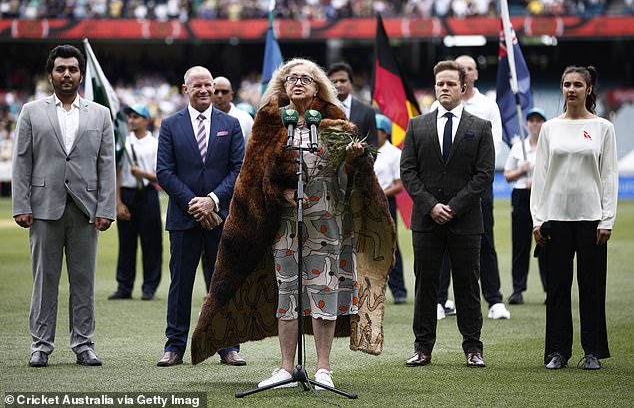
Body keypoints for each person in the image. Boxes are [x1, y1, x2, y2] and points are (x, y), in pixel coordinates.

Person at [190, 58, 395, 390]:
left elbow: (353, 179)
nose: (298, 83)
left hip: (327, 223)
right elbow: (253, 174)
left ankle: (324, 369)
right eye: (292, 79)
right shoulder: (270, 123)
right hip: (284, 225)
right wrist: (279, 191)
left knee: (324, 292)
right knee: (287, 293)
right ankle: (286, 367)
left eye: (306, 79)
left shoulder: (337, 124)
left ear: (317, 87)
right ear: (283, 87)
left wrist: (358, 160)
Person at [12, 44, 116, 368]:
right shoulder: (31, 111)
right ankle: (40, 346)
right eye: (61, 69)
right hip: (43, 208)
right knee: (44, 281)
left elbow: (106, 164)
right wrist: (20, 204)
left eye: (72, 69)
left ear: (80, 74)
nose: (67, 74)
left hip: (86, 210)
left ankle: (84, 345)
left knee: (83, 281)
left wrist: (106, 208)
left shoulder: (100, 114)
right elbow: (21, 161)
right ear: (50, 74)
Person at [401, 60, 495, 368]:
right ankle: (422, 348)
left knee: (467, 287)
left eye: (450, 84)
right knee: (425, 286)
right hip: (426, 221)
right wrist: (431, 205)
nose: (444, 88)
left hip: (465, 221)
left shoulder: (480, 127)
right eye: (440, 83)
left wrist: (454, 207)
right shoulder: (417, 125)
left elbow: (484, 174)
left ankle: (473, 348)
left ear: (463, 88)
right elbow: (408, 172)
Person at [156, 66, 246, 367]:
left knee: (221, 282)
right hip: (184, 219)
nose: (205, 90)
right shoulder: (170, 125)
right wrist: (195, 204)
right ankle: (174, 346)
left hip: (221, 217)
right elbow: (164, 172)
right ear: (185, 89)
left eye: (209, 85)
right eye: (198, 86)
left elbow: (238, 170)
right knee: (180, 284)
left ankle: (227, 345)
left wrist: (212, 201)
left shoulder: (231, 124)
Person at [530, 66, 617, 370]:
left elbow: (608, 176)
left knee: (591, 286)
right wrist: (537, 219)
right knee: (557, 287)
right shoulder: (550, 128)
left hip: (591, 218)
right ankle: (557, 351)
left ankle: (592, 351)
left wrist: (607, 219)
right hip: (555, 217)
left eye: (578, 84)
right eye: (566, 84)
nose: (571, 89)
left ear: (589, 89)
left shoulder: (603, 128)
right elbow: (540, 176)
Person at [431, 55, 510, 320]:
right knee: (441, 243)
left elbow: (494, 146)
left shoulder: (488, 106)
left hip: (477, 187)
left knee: (484, 239)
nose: (464, 71)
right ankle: (440, 300)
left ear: (472, 76)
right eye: (459, 68)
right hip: (444, 188)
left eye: (469, 68)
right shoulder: (436, 105)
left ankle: (495, 299)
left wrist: (475, 179)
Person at [108, 103, 162, 301]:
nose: (131, 120)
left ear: (146, 120)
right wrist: (118, 202)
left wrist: (143, 174)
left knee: (151, 243)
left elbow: (162, 176)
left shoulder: (155, 144)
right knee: (126, 243)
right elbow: (116, 173)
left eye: (136, 117)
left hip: (148, 194)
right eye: (130, 116)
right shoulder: (122, 143)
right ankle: (124, 286)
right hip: (127, 194)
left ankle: (149, 287)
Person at [504, 107, 548, 305]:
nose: (535, 124)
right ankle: (517, 289)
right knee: (520, 244)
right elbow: (507, 175)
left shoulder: (548, 146)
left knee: (546, 243)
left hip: (543, 196)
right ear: (526, 124)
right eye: (532, 121)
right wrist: (522, 171)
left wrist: (538, 181)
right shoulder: (518, 147)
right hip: (522, 196)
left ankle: (550, 289)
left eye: (539, 120)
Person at [374, 113, 407, 304]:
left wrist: (380, 194)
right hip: (364, 202)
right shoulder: (366, 149)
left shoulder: (394, 153)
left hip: (386, 203)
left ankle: (399, 289)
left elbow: (399, 184)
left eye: (377, 131)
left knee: (390, 245)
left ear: (385, 133)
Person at [327, 62, 378, 147]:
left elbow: (373, 145)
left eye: (343, 81)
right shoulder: (321, 110)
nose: (338, 84)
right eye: (334, 81)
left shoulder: (367, 112)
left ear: (351, 83)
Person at [211, 76, 254, 142]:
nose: (220, 95)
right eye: (216, 92)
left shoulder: (245, 119)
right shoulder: (203, 118)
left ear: (231, 95)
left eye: (224, 92)